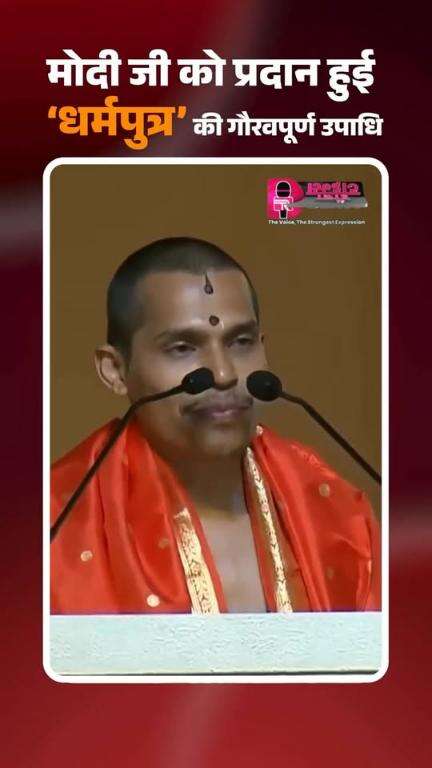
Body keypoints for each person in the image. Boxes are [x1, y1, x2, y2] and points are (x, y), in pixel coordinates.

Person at [51, 237, 381, 614]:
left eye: (240, 342)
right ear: (115, 370)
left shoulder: (340, 518)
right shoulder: (57, 526)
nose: (224, 374)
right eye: (182, 348)